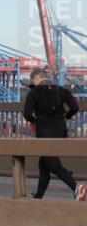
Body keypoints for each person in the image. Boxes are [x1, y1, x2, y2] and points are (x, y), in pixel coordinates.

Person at [24, 68, 80, 198]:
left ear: (37, 78)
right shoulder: (62, 90)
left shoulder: (34, 92)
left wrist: (34, 121)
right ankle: (38, 196)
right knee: (44, 164)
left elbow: (27, 114)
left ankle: (77, 187)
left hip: (45, 132)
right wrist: (67, 116)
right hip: (61, 131)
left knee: (53, 164)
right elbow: (75, 107)